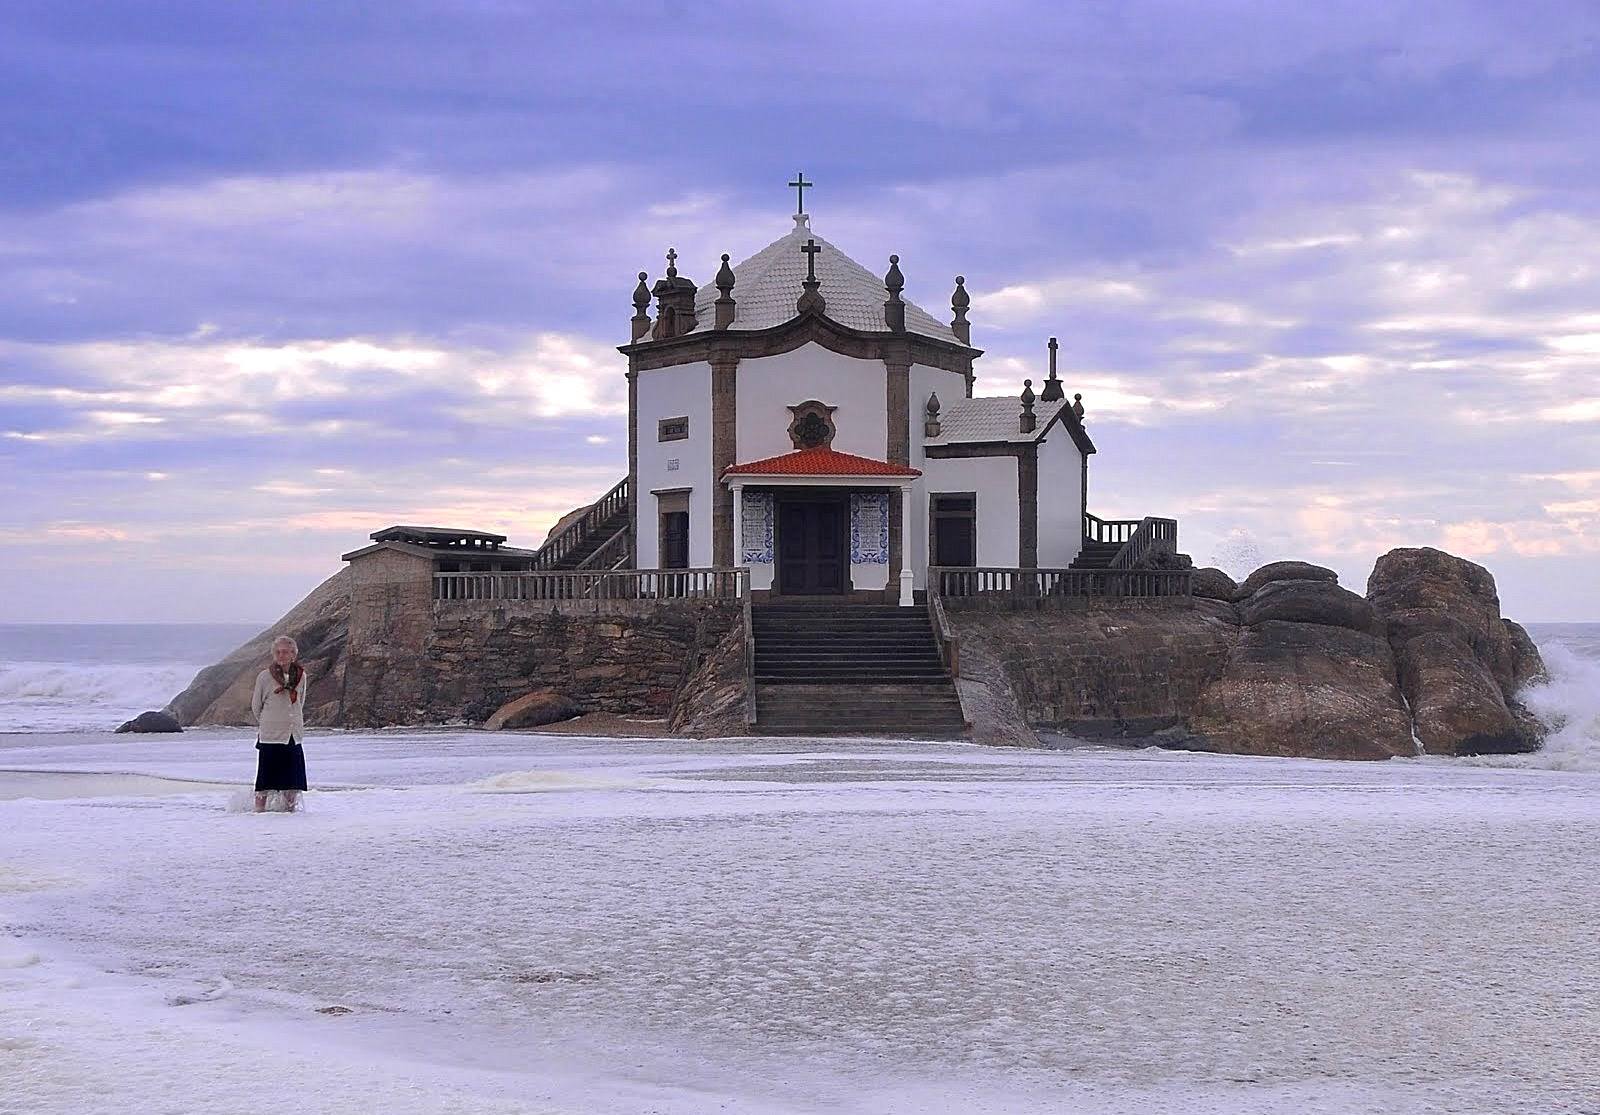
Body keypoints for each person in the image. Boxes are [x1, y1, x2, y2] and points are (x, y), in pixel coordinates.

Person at [250, 635, 309, 812]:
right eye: (277, 652)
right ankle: (259, 813)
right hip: (270, 735)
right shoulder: (264, 677)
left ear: (293, 655)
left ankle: (289, 813)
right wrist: (268, 723)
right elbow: (256, 706)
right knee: (265, 781)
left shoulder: (301, 676)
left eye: (285, 652)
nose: (281, 655)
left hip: (293, 735)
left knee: (292, 781)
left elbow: (301, 701)